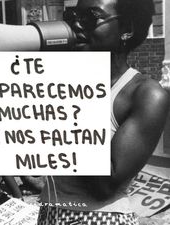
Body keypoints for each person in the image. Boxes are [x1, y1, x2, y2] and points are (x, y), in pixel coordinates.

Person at [37, 0, 170, 224]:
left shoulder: (146, 95)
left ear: (126, 29)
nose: (76, 26)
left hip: (100, 217)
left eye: (90, 17)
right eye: (71, 17)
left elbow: (105, 185)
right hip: (51, 213)